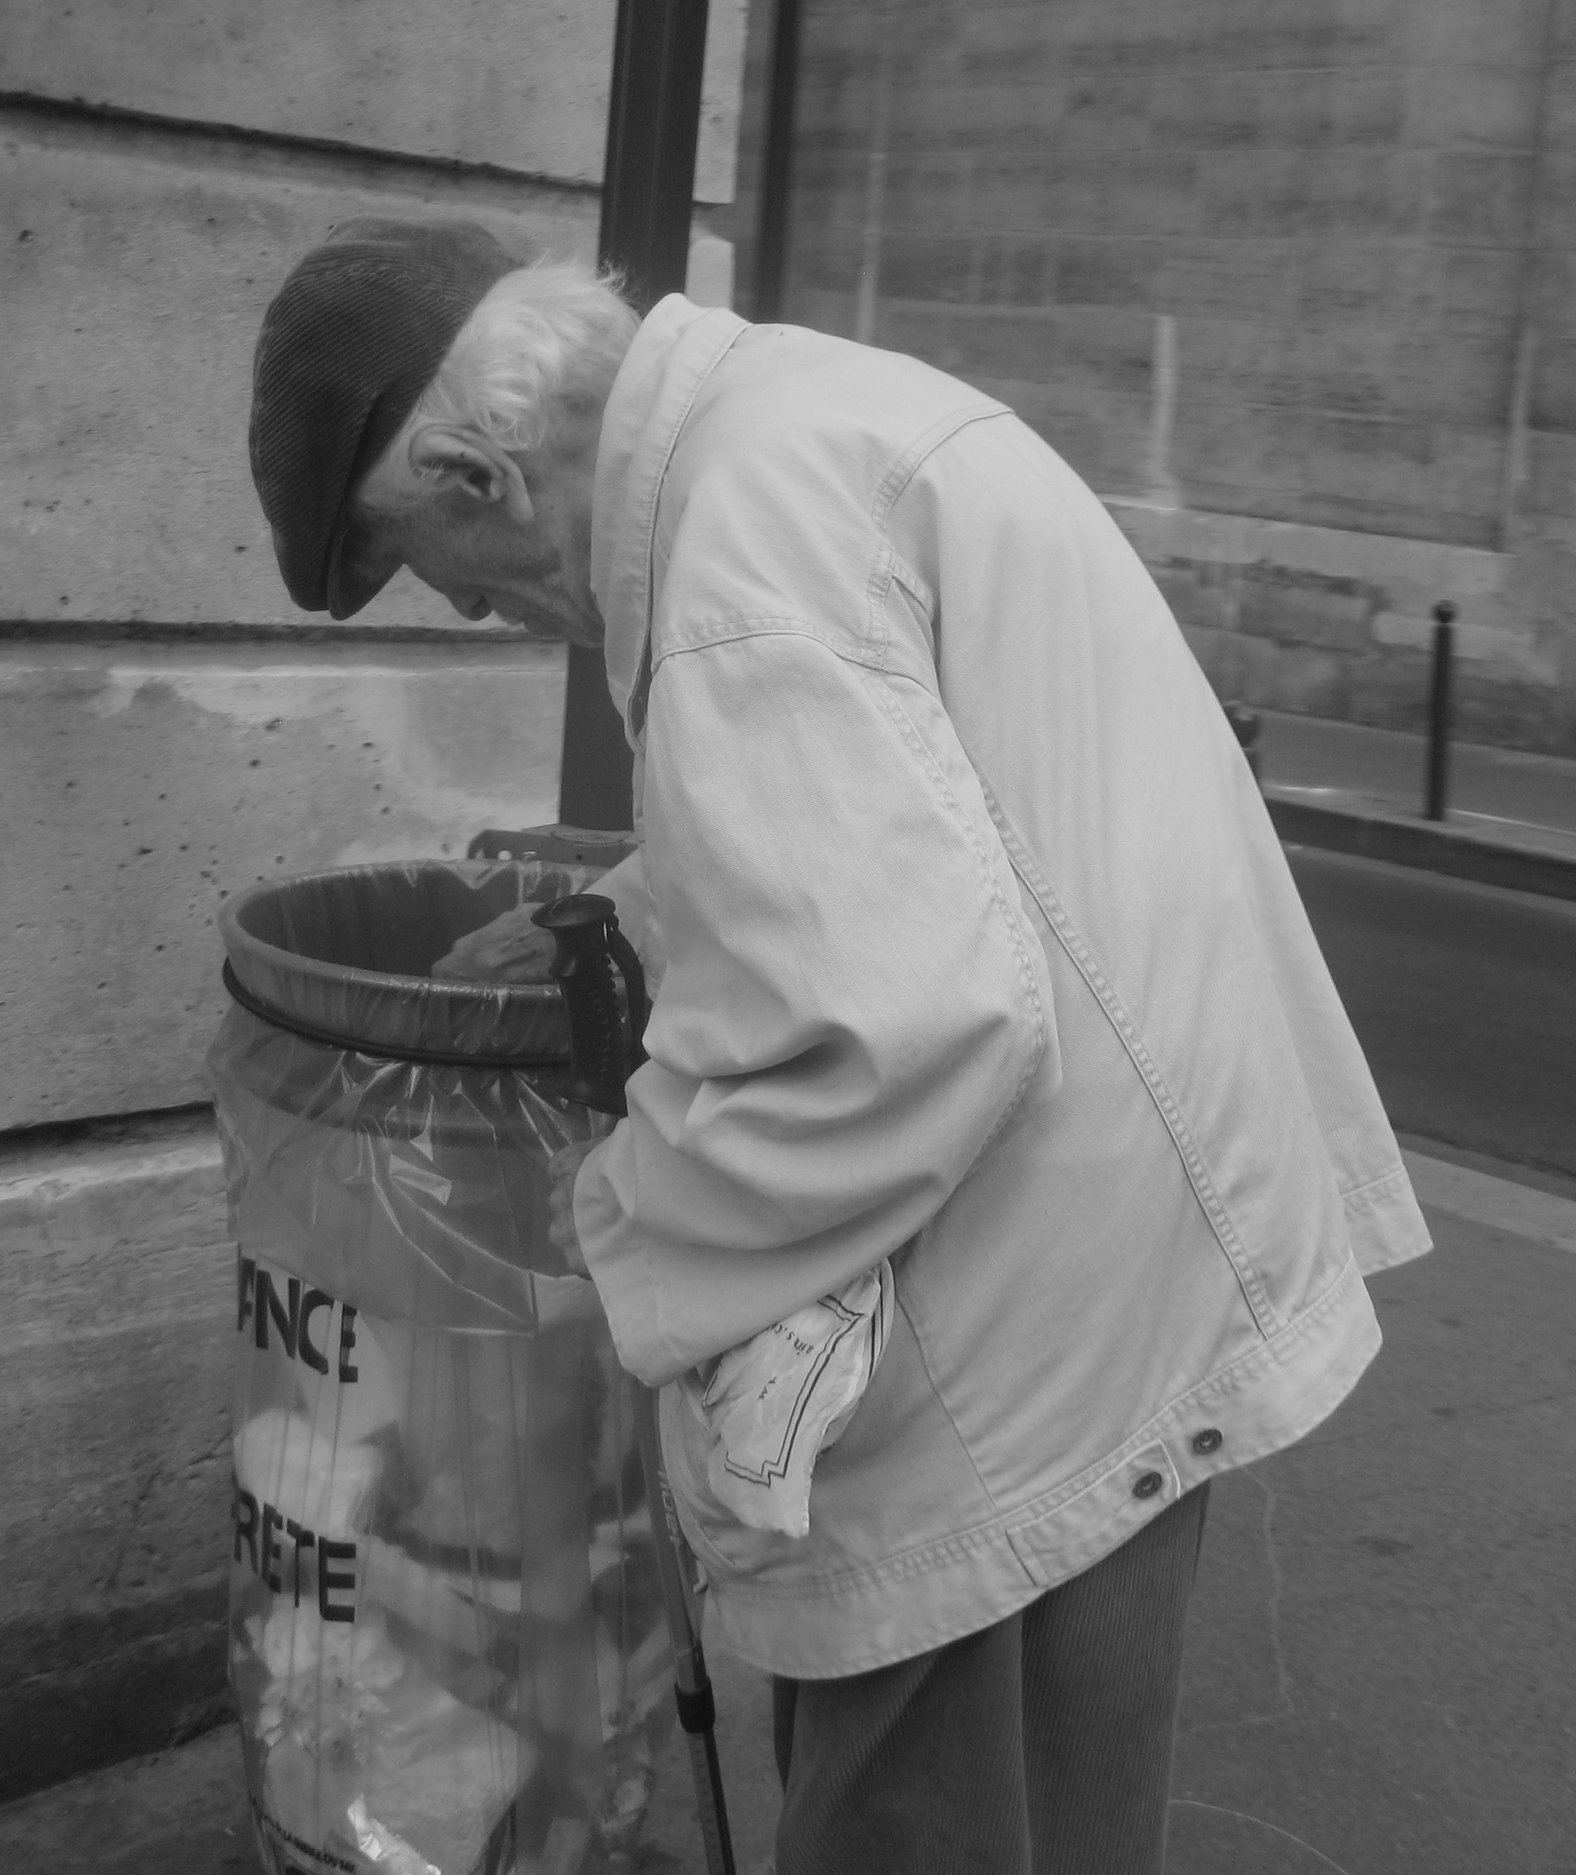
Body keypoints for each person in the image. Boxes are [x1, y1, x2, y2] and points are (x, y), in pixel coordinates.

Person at [246, 217, 1430, 1874]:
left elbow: (892, 1026)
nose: (499, 617)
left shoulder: (736, 563)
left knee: (913, 1820)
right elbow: (937, 812)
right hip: (1127, 1249)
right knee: (1067, 1800)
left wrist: (622, 1235)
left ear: (478, 476)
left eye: (461, 582)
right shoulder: (805, 423)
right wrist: (647, 908)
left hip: (1007, 1318)